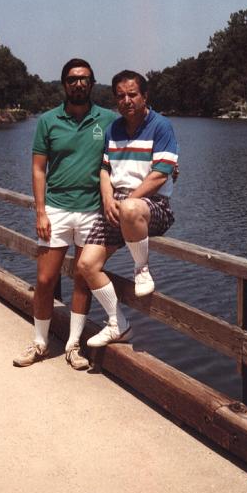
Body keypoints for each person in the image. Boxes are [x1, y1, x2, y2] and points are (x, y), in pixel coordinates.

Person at [13, 59, 117, 369]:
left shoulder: (108, 119)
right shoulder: (48, 121)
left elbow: (138, 137)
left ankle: (74, 346)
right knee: (45, 280)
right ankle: (40, 343)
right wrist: (41, 211)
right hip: (56, 209)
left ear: (92, 83)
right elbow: (37, 168)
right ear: (64, 84)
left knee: (83, 280)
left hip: (93, 211)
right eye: (72, 79)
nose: (79, 84)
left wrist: (166, 165)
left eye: (84, 79)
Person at [77, 70, 178, 348]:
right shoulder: (114, 129)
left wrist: (127, 202)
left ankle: (141, 269)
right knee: (86, 265)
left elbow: (160, 173)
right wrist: (109, 200)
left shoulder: (161, 126)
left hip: (151, 205)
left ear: (145, 96)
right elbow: (105, 169)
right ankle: (117, 323)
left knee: (132, 208)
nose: (127, 100)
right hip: (117, 206)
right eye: (120, 96)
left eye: (132, 94)